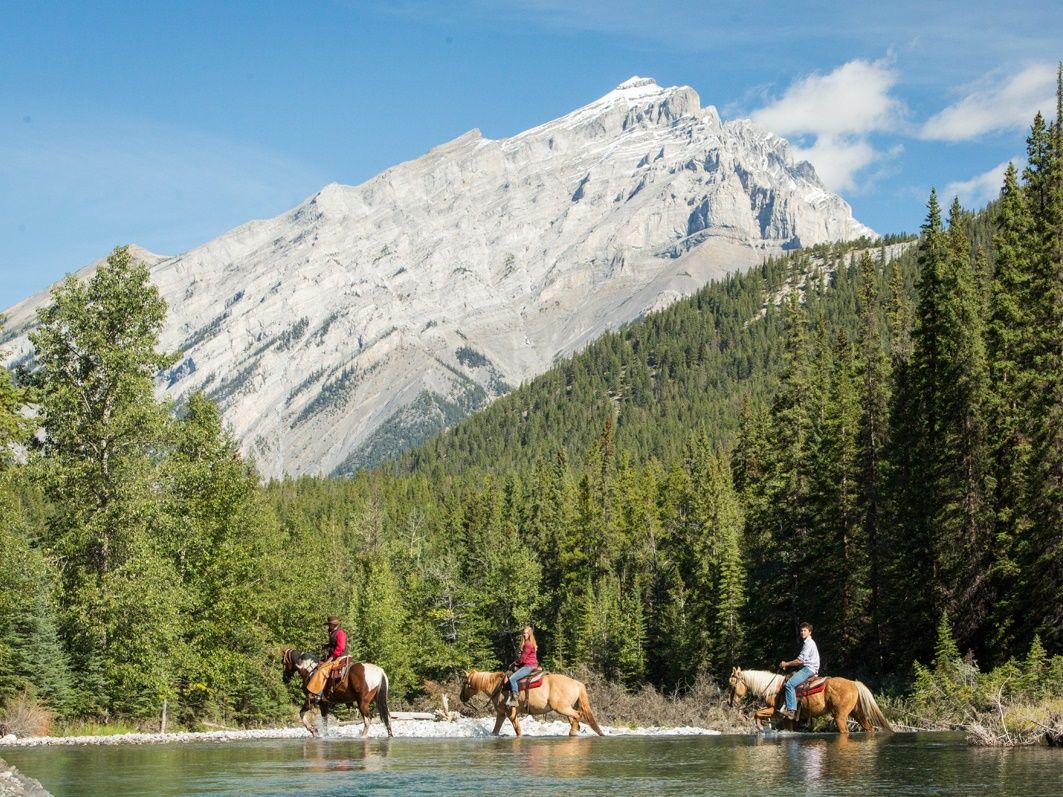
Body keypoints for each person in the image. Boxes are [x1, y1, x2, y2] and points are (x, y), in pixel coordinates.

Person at [778, 621, 819, 720]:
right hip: (809, 668)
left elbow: (799, 661)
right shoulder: (807, 643)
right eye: (801, 631)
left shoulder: (808, 644)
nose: (802, 633)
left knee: (789, 685)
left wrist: (786, 664)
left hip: (809, 669)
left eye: (805, 630)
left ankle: (791, 710)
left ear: (810, 632)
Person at [306, 615, 349, 701]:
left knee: (322, 670)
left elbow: (340, 647)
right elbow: (334, 644)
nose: (329, 626)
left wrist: (331, 657)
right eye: (329, 625)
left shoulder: (340, 633)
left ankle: (319, 693)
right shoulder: (333, 632)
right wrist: (326, 646)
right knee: (318, 665)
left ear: (334, 624)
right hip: (334, 656)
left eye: (330, 624)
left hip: (339, 657)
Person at [506, 626, 539, 707]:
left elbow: (522, 659)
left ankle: (515, 700)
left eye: (527, 633)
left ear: (530, 634)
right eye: (524, 633)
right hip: (533, 665)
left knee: (512, 678)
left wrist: (513, 664)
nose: (525, 634)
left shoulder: (528, 644)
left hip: (528, 666)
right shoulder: (532, 643)